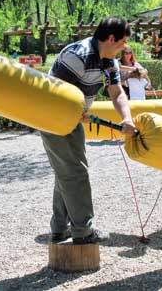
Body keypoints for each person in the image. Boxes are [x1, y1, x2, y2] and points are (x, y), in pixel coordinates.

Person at [41, 17, 136, 244]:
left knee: (67, 171)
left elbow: (117, 93)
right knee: (75, 172)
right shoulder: (78, 56)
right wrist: (73, 111)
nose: (124, 48)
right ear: (111, 39)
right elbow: (56, 94)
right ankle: (83, 231)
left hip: (71, 119)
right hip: (53, 118)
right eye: (122, 42)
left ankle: (60, 228)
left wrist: (127, 118)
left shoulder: (109, 62)